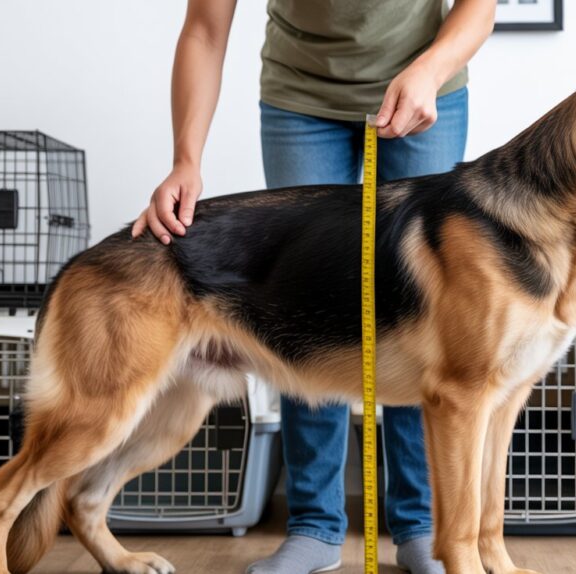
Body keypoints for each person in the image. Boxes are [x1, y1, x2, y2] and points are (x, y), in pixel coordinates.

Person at [132, 1, 495, 572]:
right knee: (302, 297)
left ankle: (421, 526)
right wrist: (186, 159)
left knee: (423, 311)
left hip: (427, 85)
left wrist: (432, 67)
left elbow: (480, 7)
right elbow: (204, 28)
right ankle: (316, 525)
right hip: (301, 98)